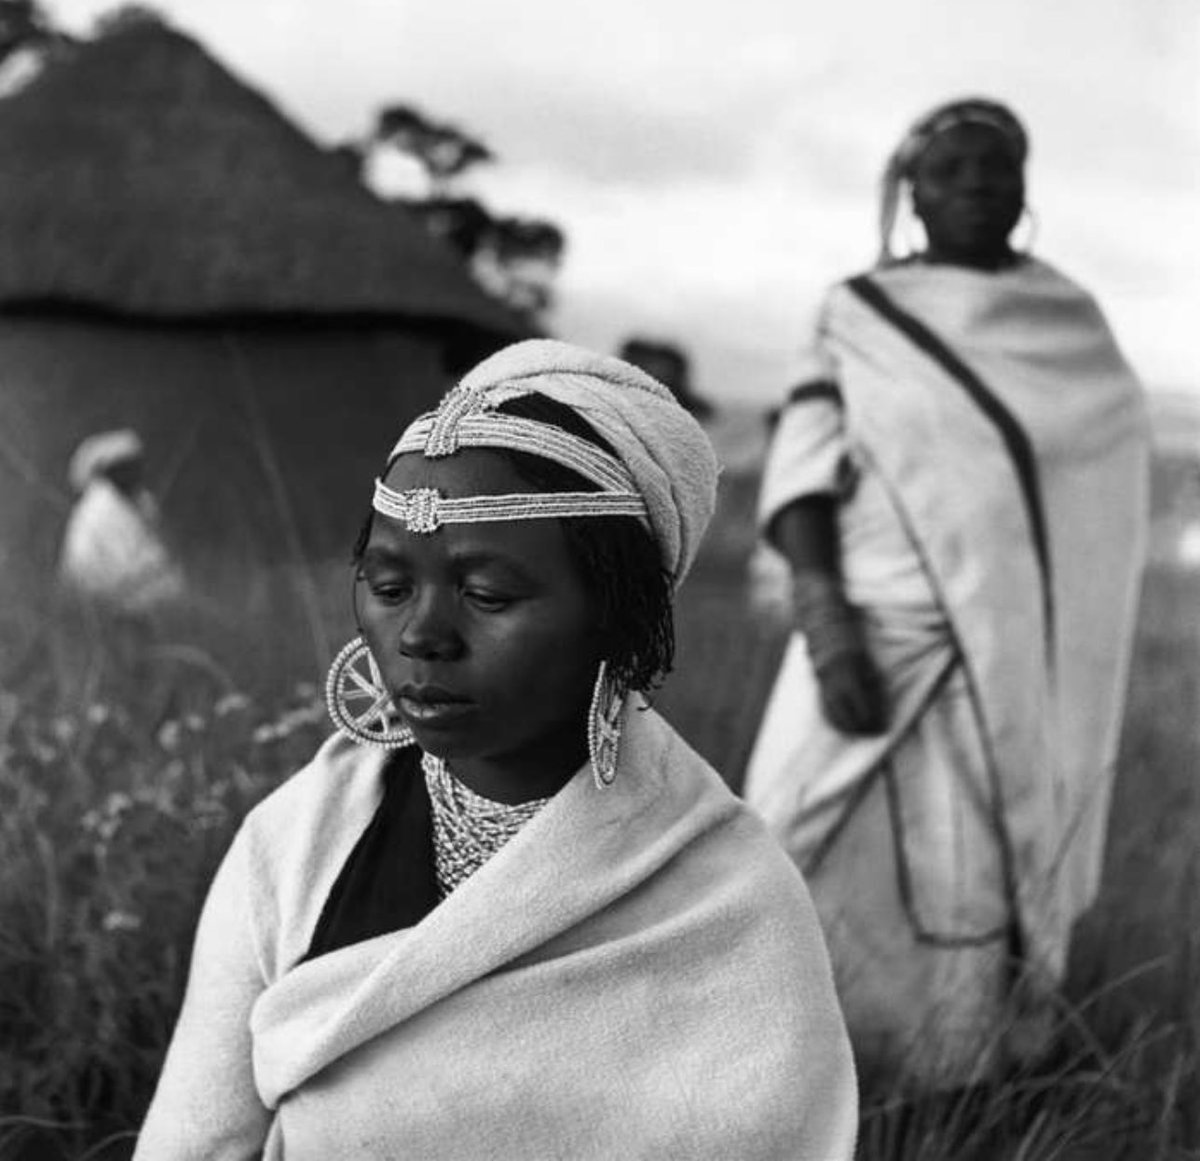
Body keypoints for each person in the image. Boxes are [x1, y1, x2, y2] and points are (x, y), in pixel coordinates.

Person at [135, 340, 857, 1159]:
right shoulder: (293, 844)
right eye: (389, 585)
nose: (421, 635)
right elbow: (194, 1142)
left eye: (487, 594)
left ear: (617, 615)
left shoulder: (730, 905)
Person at [743, 98, 1149, 1090]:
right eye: (951, 169)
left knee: (973, 863)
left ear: (1025, 189)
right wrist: (830, 626)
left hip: (1006, 649)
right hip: (865, 620)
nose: (976, 185)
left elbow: (1096, 486)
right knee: (778, 835)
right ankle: (758, 1062)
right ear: (909, 194)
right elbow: (800, 475)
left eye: (996, 166)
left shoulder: (1071, 326)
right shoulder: (860, 311)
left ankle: (947, 1079)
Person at [58, 428, 185, 616]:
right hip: (111, 606)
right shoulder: (100, 509)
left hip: (135, 601)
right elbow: (125, 567)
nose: (136, 473)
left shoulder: (138, 502)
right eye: (126, 467)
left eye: (136, 465)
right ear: (110, 471)